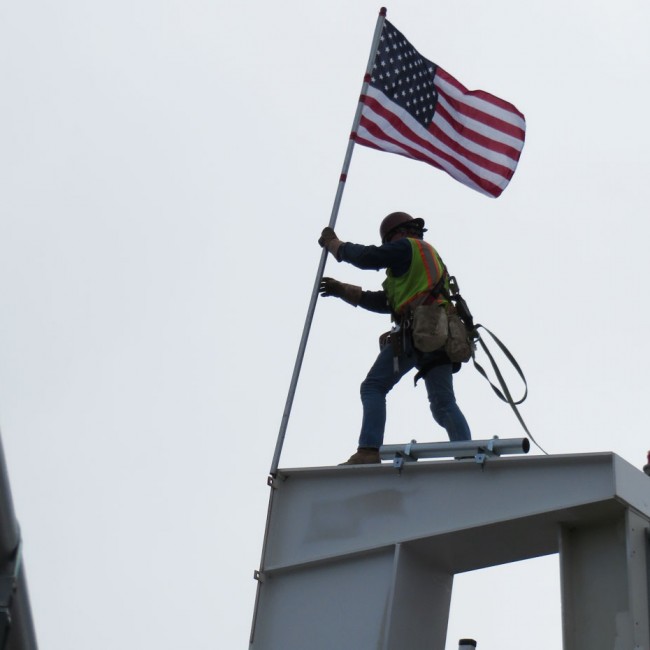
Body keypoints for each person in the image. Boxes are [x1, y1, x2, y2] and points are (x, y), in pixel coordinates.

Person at [318, 211, 472, 465]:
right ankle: (467, 453)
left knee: (373, 387)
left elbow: (368, 258)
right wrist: (343, 291)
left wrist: (336, 246)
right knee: (443, 404)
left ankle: (368, 450)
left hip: (417, 331)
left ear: (396, 235)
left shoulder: (407, 247)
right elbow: (384, 302)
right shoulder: (422, 262)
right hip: (441, 334)